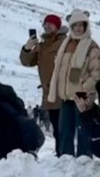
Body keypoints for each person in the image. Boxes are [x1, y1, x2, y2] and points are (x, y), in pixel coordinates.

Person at [48, 9, 100, 158]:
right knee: (65, 130)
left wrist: (83, 90)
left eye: (82, 25)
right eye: (75, 25)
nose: (79, 28)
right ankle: (65, 160)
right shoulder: (65, 45)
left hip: (82, 96)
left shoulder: (92, 46)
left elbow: (97, 73)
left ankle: (84, 160)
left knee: (84, 131)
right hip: (66, 96)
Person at [21, 14, 67, 150]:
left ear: (57, 26)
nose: (47, 26)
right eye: (45, 24)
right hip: (49, 93)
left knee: (63, 125)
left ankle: (64, 153)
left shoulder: (64, 42)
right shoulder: (41, 46)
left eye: (50, 24)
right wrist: (27, 48)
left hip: (62, 91)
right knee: (55, 124)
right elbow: (27, 61)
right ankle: (60, 152)